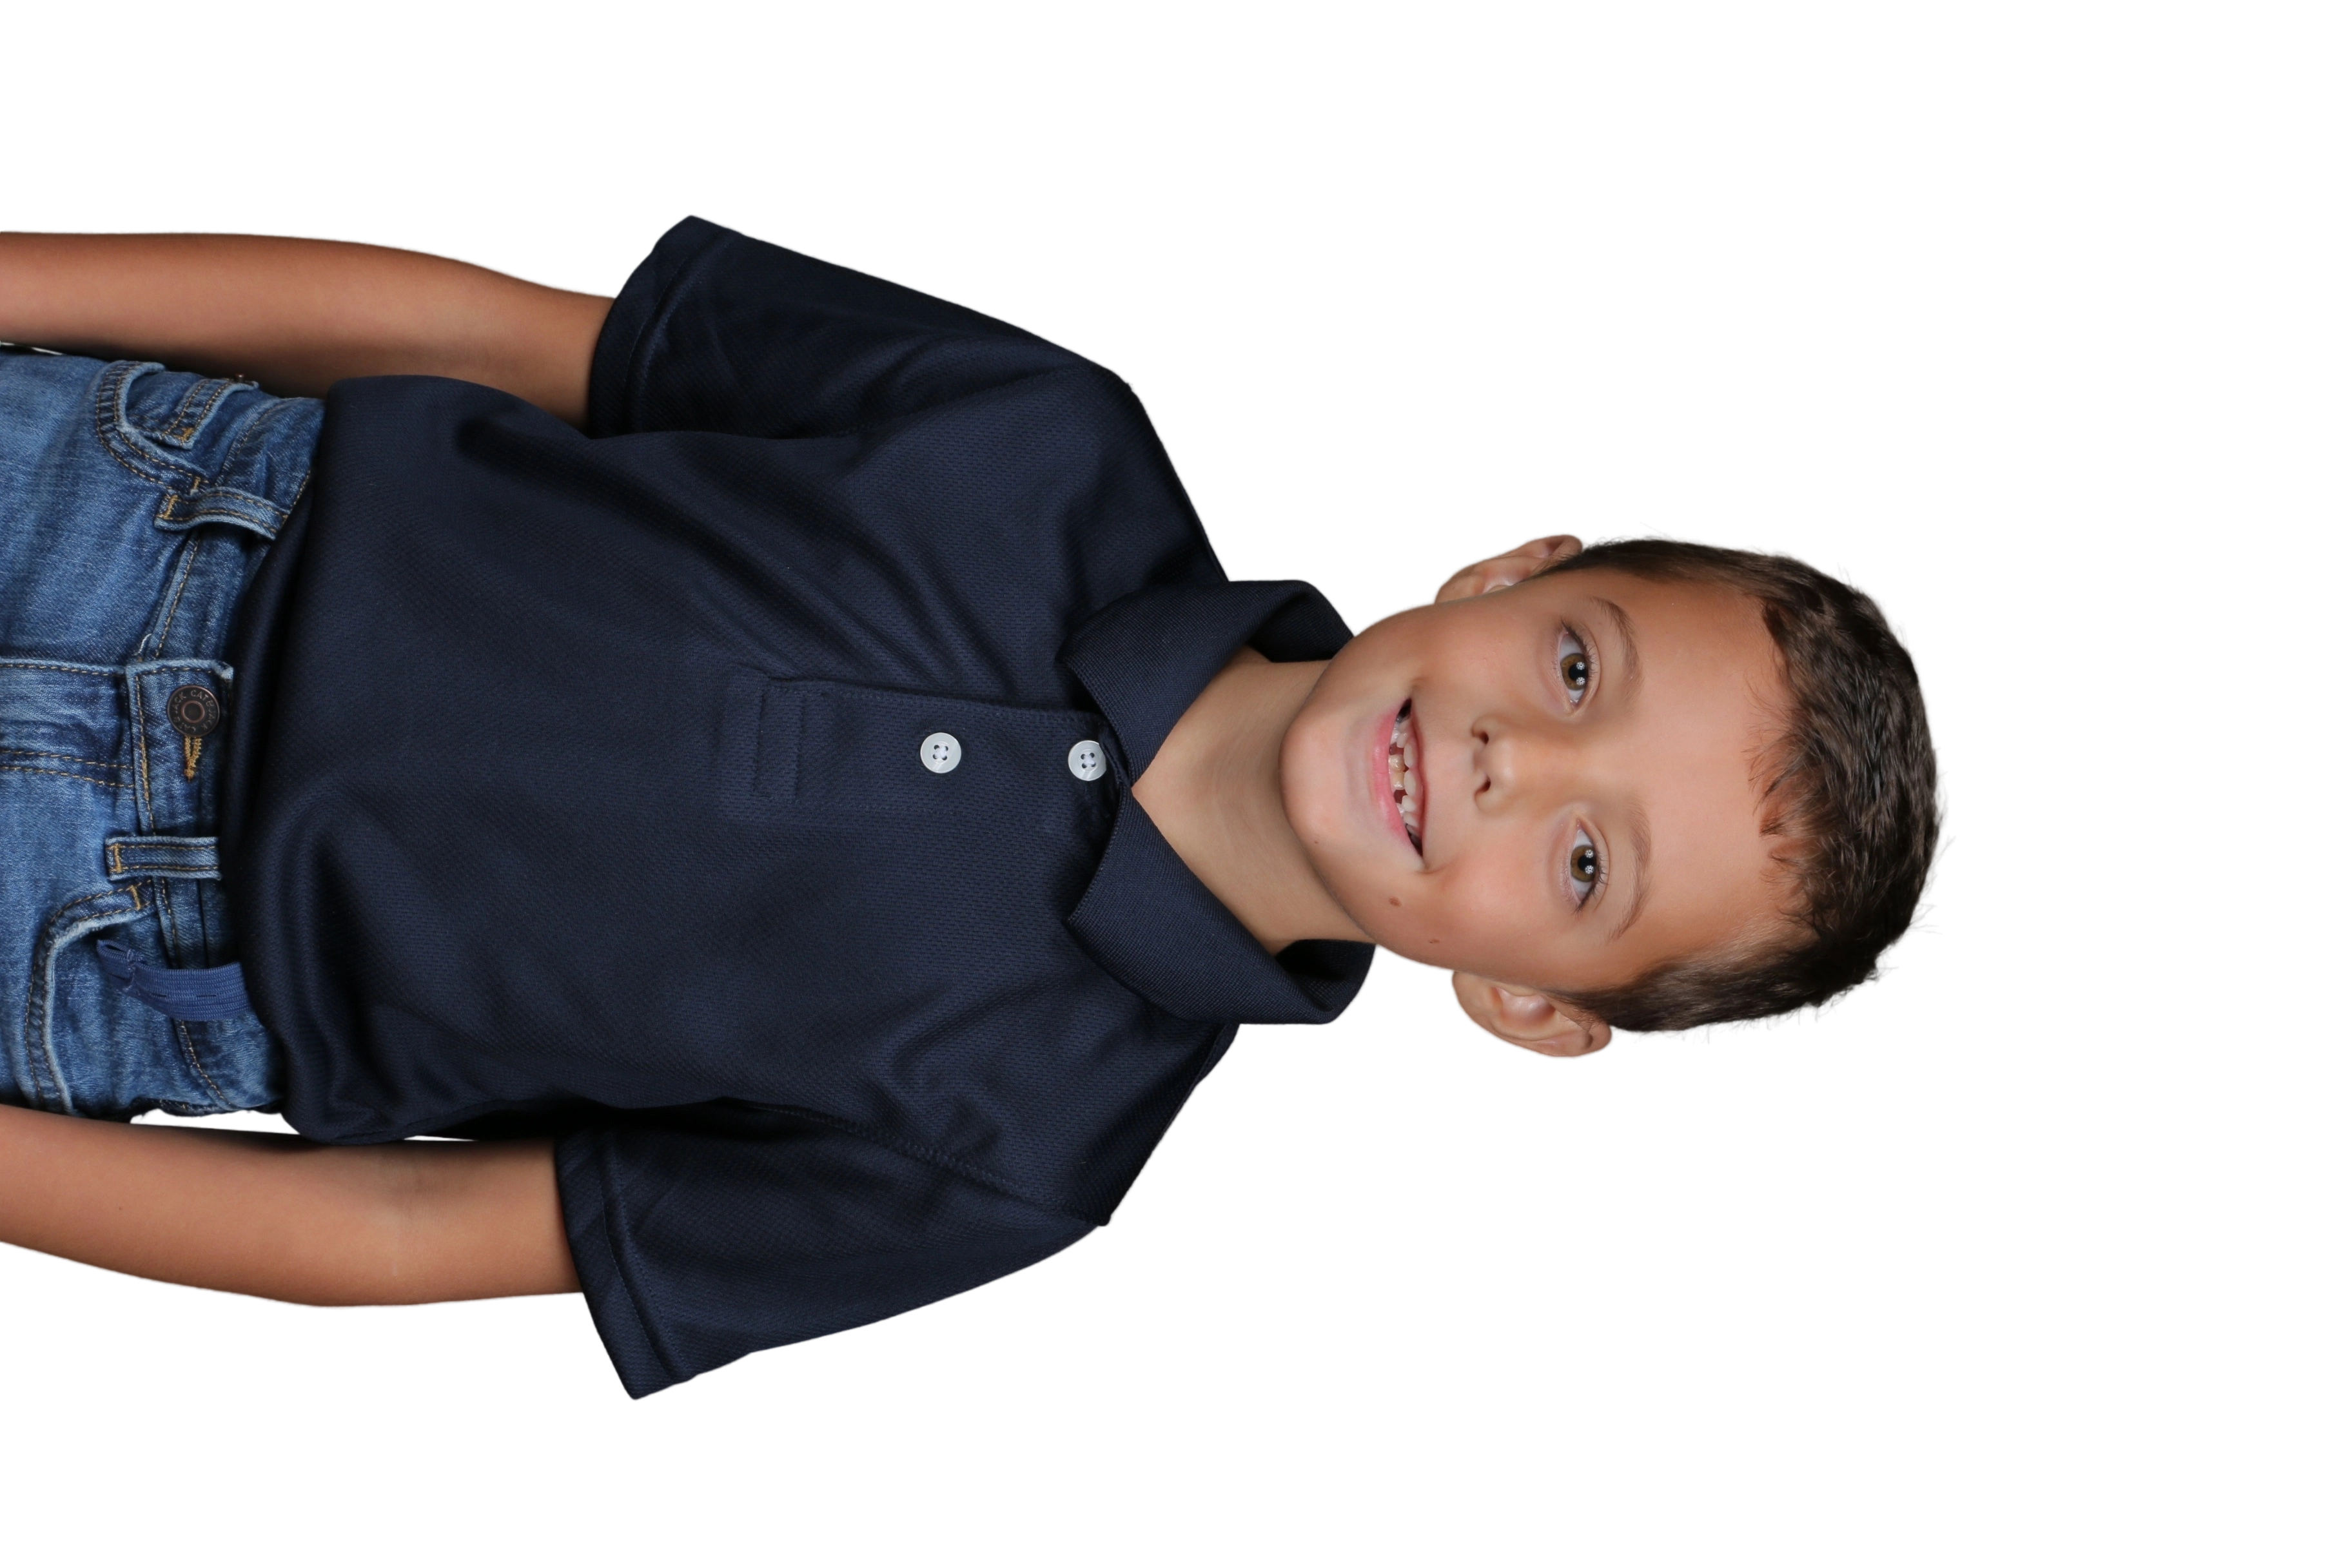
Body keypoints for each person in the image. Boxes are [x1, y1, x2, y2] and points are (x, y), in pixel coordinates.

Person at [0, 215, 1952, 1399]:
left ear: (1537, 1009)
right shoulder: (1046, 427)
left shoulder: (1026, 1157)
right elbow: (499, 338)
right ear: (1520, 568)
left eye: (1590, 864)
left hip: (105, 949)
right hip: (129, 502)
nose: (1522, 761)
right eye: (1583, 670)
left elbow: (405, 1226)